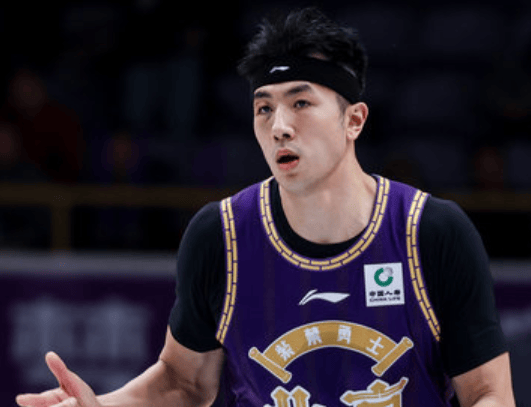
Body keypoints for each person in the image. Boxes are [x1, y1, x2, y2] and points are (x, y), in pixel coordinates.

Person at [16, 7, 515, 407]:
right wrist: (101, 404)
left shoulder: (431, 232)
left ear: (354, 120)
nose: (279, 126)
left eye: (301, 103)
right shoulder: (221, 235)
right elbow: (184, 382)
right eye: (264, 107)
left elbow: (488, 392)